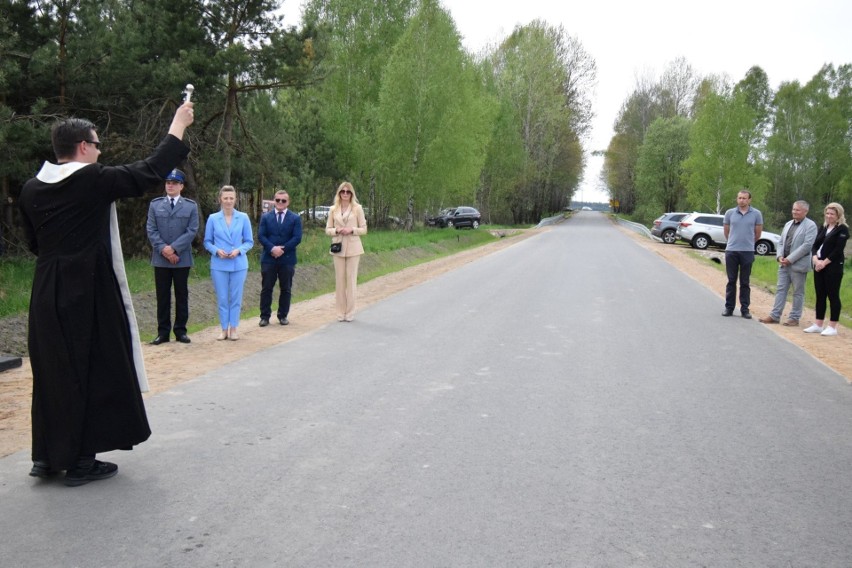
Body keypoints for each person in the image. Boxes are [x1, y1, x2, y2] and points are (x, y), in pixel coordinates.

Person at [18, 102, 194, 486]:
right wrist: (178, 125)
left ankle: (47, 457)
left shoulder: (31, 188)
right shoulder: (91, 179)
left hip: (46, 288)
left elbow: (34, 243)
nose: (100, 152)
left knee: (52, 371)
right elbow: (148, 172)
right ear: (83, 147)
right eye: (97, 145)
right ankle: (81, 460)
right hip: (87, 287)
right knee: (90, 369)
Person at [146, 168, 199, 344]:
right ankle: (163, 333)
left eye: (174, 183)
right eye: (168, 182)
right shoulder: (155, 205)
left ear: (181, 186)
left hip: (181, 258)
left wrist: (175, 249)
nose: (170, 186)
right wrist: (165, 250)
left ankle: (180, 331)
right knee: (162, 296)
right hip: (161, 259)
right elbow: (151, 229)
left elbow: (192, 230)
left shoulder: (190, 206)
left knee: (181, 295)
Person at [203, 185, 254, 340]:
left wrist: (238, 250)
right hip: (219, 264)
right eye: (225, 198)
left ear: (235, 200)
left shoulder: (243, 217)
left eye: (231, 198)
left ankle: (234, 328)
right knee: (223, 298)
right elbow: (207, 241)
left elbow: (249, 241)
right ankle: (224, 328)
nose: (228, 201)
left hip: (238, 264)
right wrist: (216, 251)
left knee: (236, 297)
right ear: (220, 199)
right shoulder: (213, 218)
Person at [758, 200, 818, 327]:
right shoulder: (788, 224)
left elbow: (807, 246)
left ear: (805, 211)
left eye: (798, 210)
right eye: (793, 209)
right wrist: (779, 256)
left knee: (798, 292)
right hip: (783, 263)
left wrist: (790, 258)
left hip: (798, 264)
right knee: (780, 290)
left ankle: (794, 317)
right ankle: (775, 315)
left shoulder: (810, 225)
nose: (794, 212)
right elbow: (781, 242)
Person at [804, 202, 849, 336]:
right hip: (818, 264)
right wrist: (815, 259)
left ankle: (832, 326)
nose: (829, 216)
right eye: (827, 213)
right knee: (820, 294)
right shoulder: (823, 227)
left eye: (832, 214)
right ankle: (818, 323)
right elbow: (815, 245)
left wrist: (824, 262)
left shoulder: (842, 229)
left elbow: (838, 249)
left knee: (832, 295)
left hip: (833, 266)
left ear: (838, 215)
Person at [258, 189, 302, 326]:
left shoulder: (295, 218)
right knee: (266, 288)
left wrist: (282, 249)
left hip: (287, 258)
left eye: (283, 200)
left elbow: (297, 237)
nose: (280, 203)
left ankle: (283, 315)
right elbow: (261, 236)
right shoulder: (266, 217)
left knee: (286, 288)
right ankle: (264, 316)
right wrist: (272, 248)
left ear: (288, 202)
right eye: (278, 200)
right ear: (274, 201)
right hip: (268, 258)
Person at [325, 181, 367, 322]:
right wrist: (336, 230)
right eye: (342, 191)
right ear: (339, 193)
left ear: (351, 194)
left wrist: (352, 230)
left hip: (354, 248)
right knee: (340, 281)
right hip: (338, 247)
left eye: (348, 192)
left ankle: (350, 312)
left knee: (351, 280)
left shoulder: (357, 208)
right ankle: (340, 312)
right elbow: (327, 229)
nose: (345, 194)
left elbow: (364, 229)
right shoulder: (333, 209)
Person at [722, 190, 763, 319]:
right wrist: (733, 242)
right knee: (731, 280)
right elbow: (727, 231)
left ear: (749, 200)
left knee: (745, 281)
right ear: (737, 199)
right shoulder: (730, 213)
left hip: (747, 251)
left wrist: (747, 243)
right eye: (739, 198)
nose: (742, 200)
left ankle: (745, 309)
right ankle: (729, 307)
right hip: (732, 251)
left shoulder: (756, 214)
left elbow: (757, 234)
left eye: (744, 198)